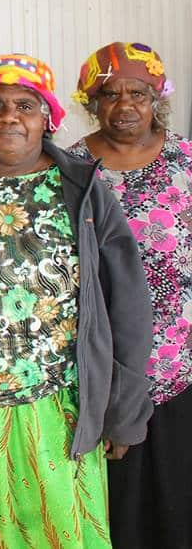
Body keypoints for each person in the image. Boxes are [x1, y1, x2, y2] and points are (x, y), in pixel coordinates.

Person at [0, 54, 154, 548]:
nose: (10, 116)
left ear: (48, 118)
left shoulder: (82, 189)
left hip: (51, 408)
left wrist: (124, 410)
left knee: (55, 533)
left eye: (26, 105)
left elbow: (128, 304)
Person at [67, 42, 190, 548]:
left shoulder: (185, 158)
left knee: (178, 491)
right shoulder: (73, 166)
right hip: (104, 359)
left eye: (137, 93)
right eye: (109, 94)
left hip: (180, 358)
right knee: (116, 501)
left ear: (155, 98)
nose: (124, 106)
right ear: (92, 103)